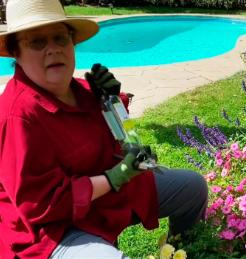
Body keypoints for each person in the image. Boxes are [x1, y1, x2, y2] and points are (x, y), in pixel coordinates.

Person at [0, 0, 208, 258]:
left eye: (60, 38)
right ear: (15, 52)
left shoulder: (86, 91)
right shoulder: (18, 115)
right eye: (37, 42)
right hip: (52, 229)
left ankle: (183, 250)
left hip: (105, 199)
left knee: (193, 188)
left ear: (72, 44)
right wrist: (115, 177)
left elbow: (131, 144)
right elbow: (40, 206)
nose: (53, 49)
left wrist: (112, 105)